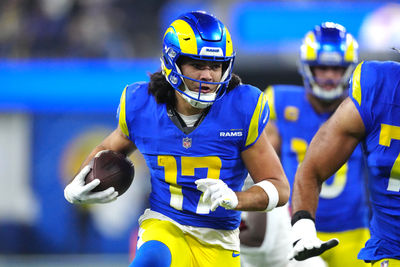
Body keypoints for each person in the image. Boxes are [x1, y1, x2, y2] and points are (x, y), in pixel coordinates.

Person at [63, 11, 290, 267]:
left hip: (219, 238)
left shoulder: (241, 107)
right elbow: (108, 148)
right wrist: (75, 186)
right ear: (173, 62)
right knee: (150, 260)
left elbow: (279, 187)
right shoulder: (142, 104)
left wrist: (236, 198)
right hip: (165, 225)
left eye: (215, 66)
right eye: (197, 64)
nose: (208, 75)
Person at [240, 22, 370, 267]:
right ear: (307, 67)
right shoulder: (279, 101)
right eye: (322, 67)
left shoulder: (360, 108)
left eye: (337, 68)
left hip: (354, 232)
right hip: (295, 227)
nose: (330, 76)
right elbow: (259, 161)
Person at [289, 57, 400, 265]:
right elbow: (311, 170)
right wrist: (302, 227)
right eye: (322, 68)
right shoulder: (379, 89)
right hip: (392, 253)